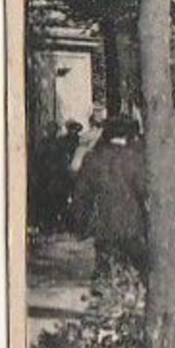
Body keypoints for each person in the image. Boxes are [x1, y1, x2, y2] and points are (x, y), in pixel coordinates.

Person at [71, 115, 147, 276]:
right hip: (131, 223)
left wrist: (81, 223)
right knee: (135, 270)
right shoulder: (135, 158)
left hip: (103, 223)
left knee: (105, 267)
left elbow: (81, 193)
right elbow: (143, 190)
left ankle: (106, 295)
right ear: (128, 134)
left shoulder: (93, 158)